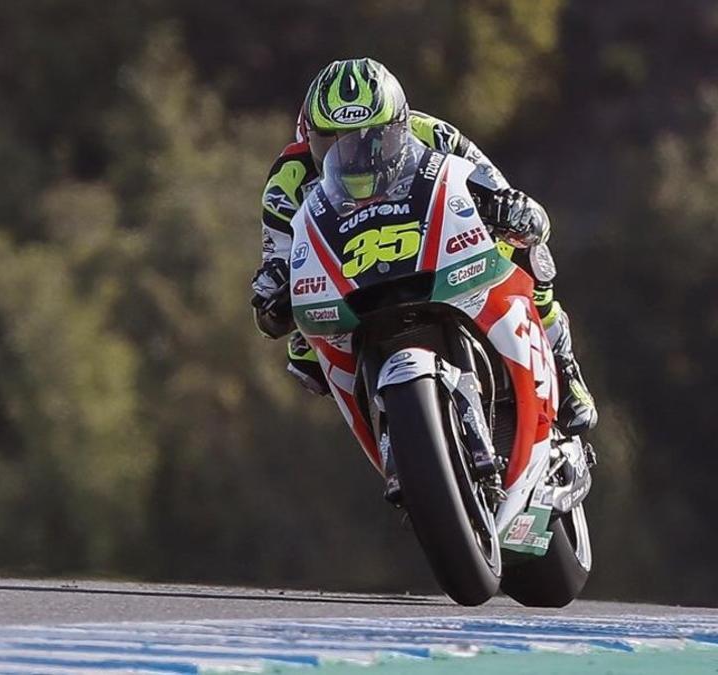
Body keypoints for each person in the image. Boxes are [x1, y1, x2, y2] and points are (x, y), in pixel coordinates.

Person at [250, 58, 597, 436]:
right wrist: (272, 287)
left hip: (433, 250)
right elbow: (279, 258)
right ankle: (392, 428)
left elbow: (496, 187)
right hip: (349, 279)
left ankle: (563, 363)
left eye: (370, 138)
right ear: (308, 138)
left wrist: (511, 209)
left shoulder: (432, 133)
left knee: (524, 248)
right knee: (303, 355)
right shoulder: (287, 182)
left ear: (399, 125)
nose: (354, 157)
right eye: (331, 143)